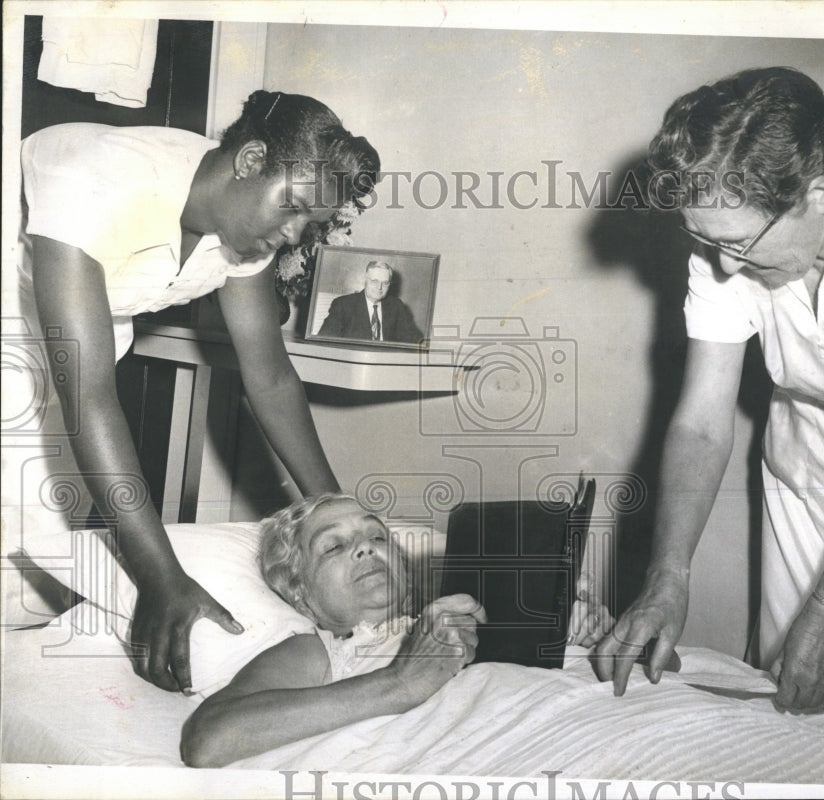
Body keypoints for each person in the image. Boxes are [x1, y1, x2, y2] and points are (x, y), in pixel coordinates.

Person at [3, 90, 380, 693]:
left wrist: (335, 510)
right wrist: (161, 576)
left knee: (47, 567)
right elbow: (91, 397)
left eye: (306, 226)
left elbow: (272, 378)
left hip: (68, 353)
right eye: (292, 211)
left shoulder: (241, 224)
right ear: (251, 161)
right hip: (19, 340)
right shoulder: (97, 182)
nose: (290, 236)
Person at [594, 67, 824, 712]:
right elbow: (701, 422)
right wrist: (669, 576)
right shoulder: (725, 231)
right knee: (794, 694)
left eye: (739, 245)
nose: (722, 266)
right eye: (707, 241)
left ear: (817, 195)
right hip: (803, 464)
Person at [180, 493, 484, 768]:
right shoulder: (319, 650)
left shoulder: (438, 625)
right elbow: (208, 739)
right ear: (301, 593)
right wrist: (402, 682)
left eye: (377, 537)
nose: (365, 547)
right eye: (334, 546)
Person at [318, 260, 424, 343]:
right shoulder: (343, 305)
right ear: (365, 279)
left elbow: (414, 340)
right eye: (375, 281)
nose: (379, 287)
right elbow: (324, 341)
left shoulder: (396, 306)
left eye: (385, 283)